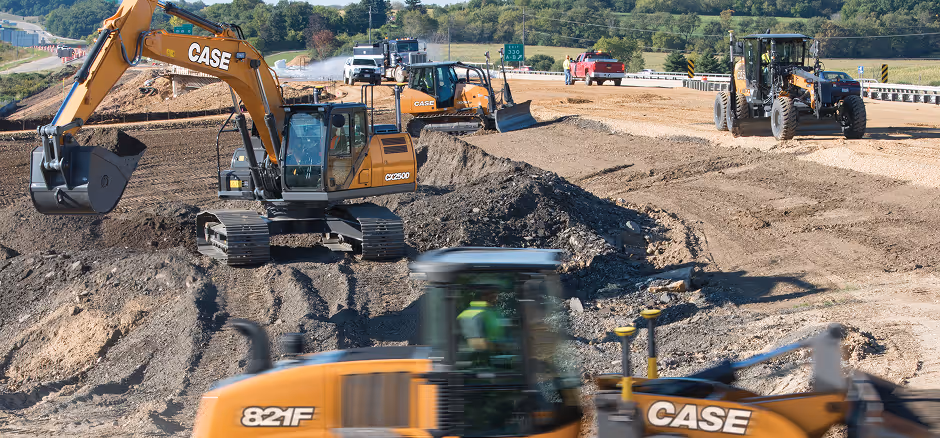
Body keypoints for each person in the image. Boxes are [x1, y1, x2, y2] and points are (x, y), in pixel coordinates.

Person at [458, 287, 505, 352]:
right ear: (483, 297)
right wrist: (500, 347)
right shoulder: (470, 314)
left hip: (497, 354)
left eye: (496, 296)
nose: (496, 299)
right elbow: (475, 343)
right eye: (493, 297)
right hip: (480, 356)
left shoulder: (492, 311)